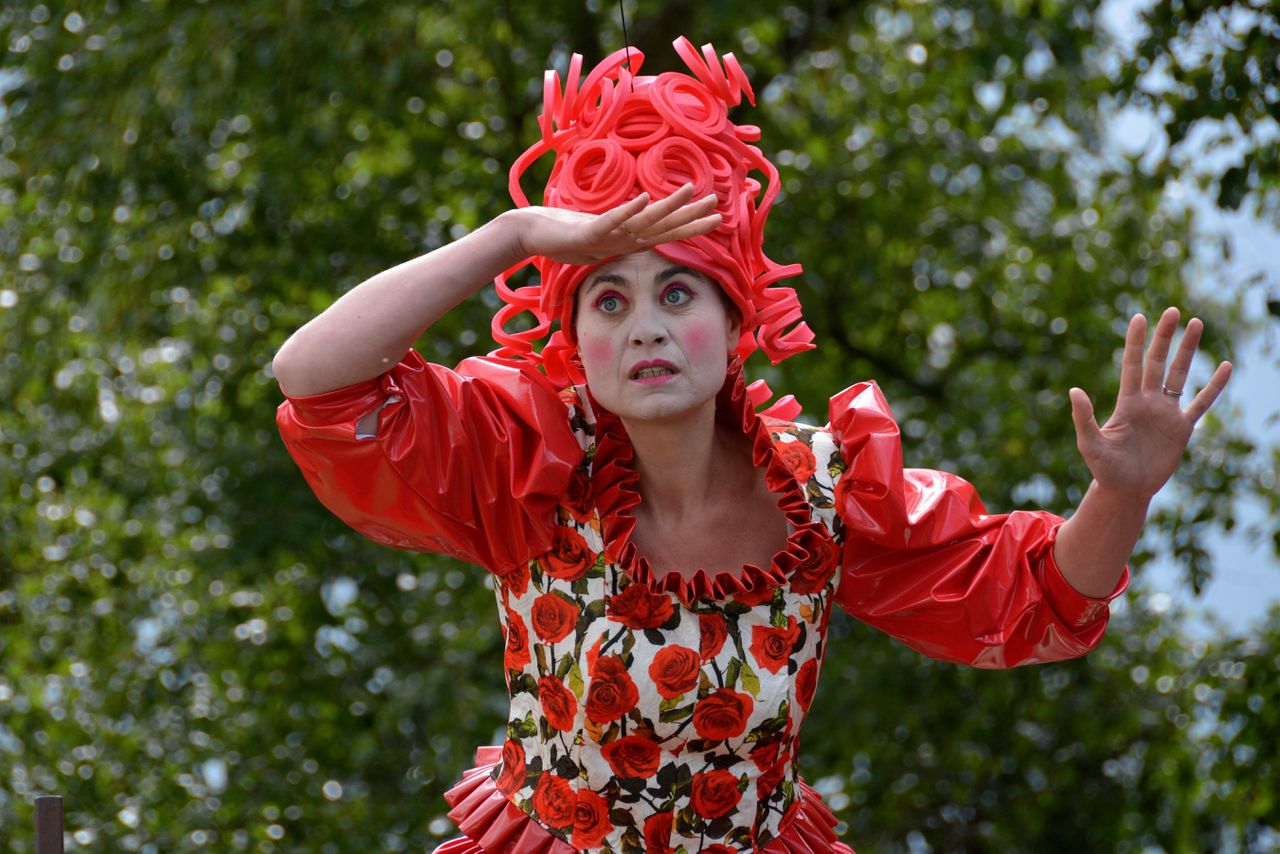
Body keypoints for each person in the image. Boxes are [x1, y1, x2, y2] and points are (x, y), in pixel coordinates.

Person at [272, 37, 1232, 854]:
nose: (645, 326)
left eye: (678, 293)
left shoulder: (827, 486)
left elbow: (1037, 602)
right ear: (577, 344)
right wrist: (514, 232)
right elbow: (315, 378)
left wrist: (1123, 494)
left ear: (738, 329)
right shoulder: (526, 460)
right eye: (610, 299)